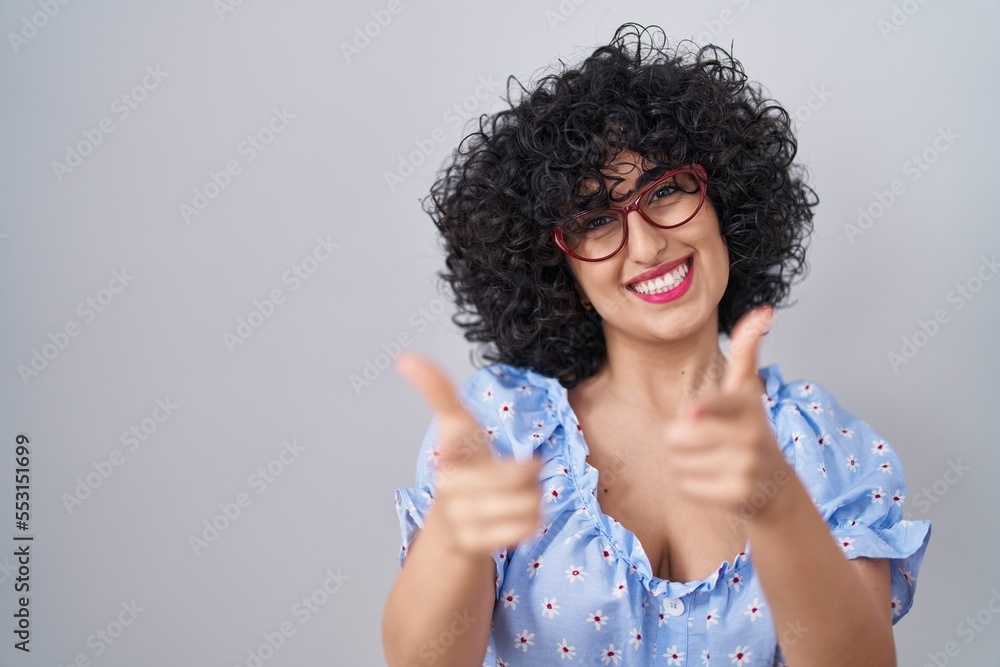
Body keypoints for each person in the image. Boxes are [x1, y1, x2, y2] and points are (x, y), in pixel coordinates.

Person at [382, 23, 931, 667]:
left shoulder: (824, 445)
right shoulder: (503, 431)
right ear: (564, 271)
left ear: (723, 200)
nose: (646, 245)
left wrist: (779, 507)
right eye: (594, 221)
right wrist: (455, 537)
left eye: (666, 190)